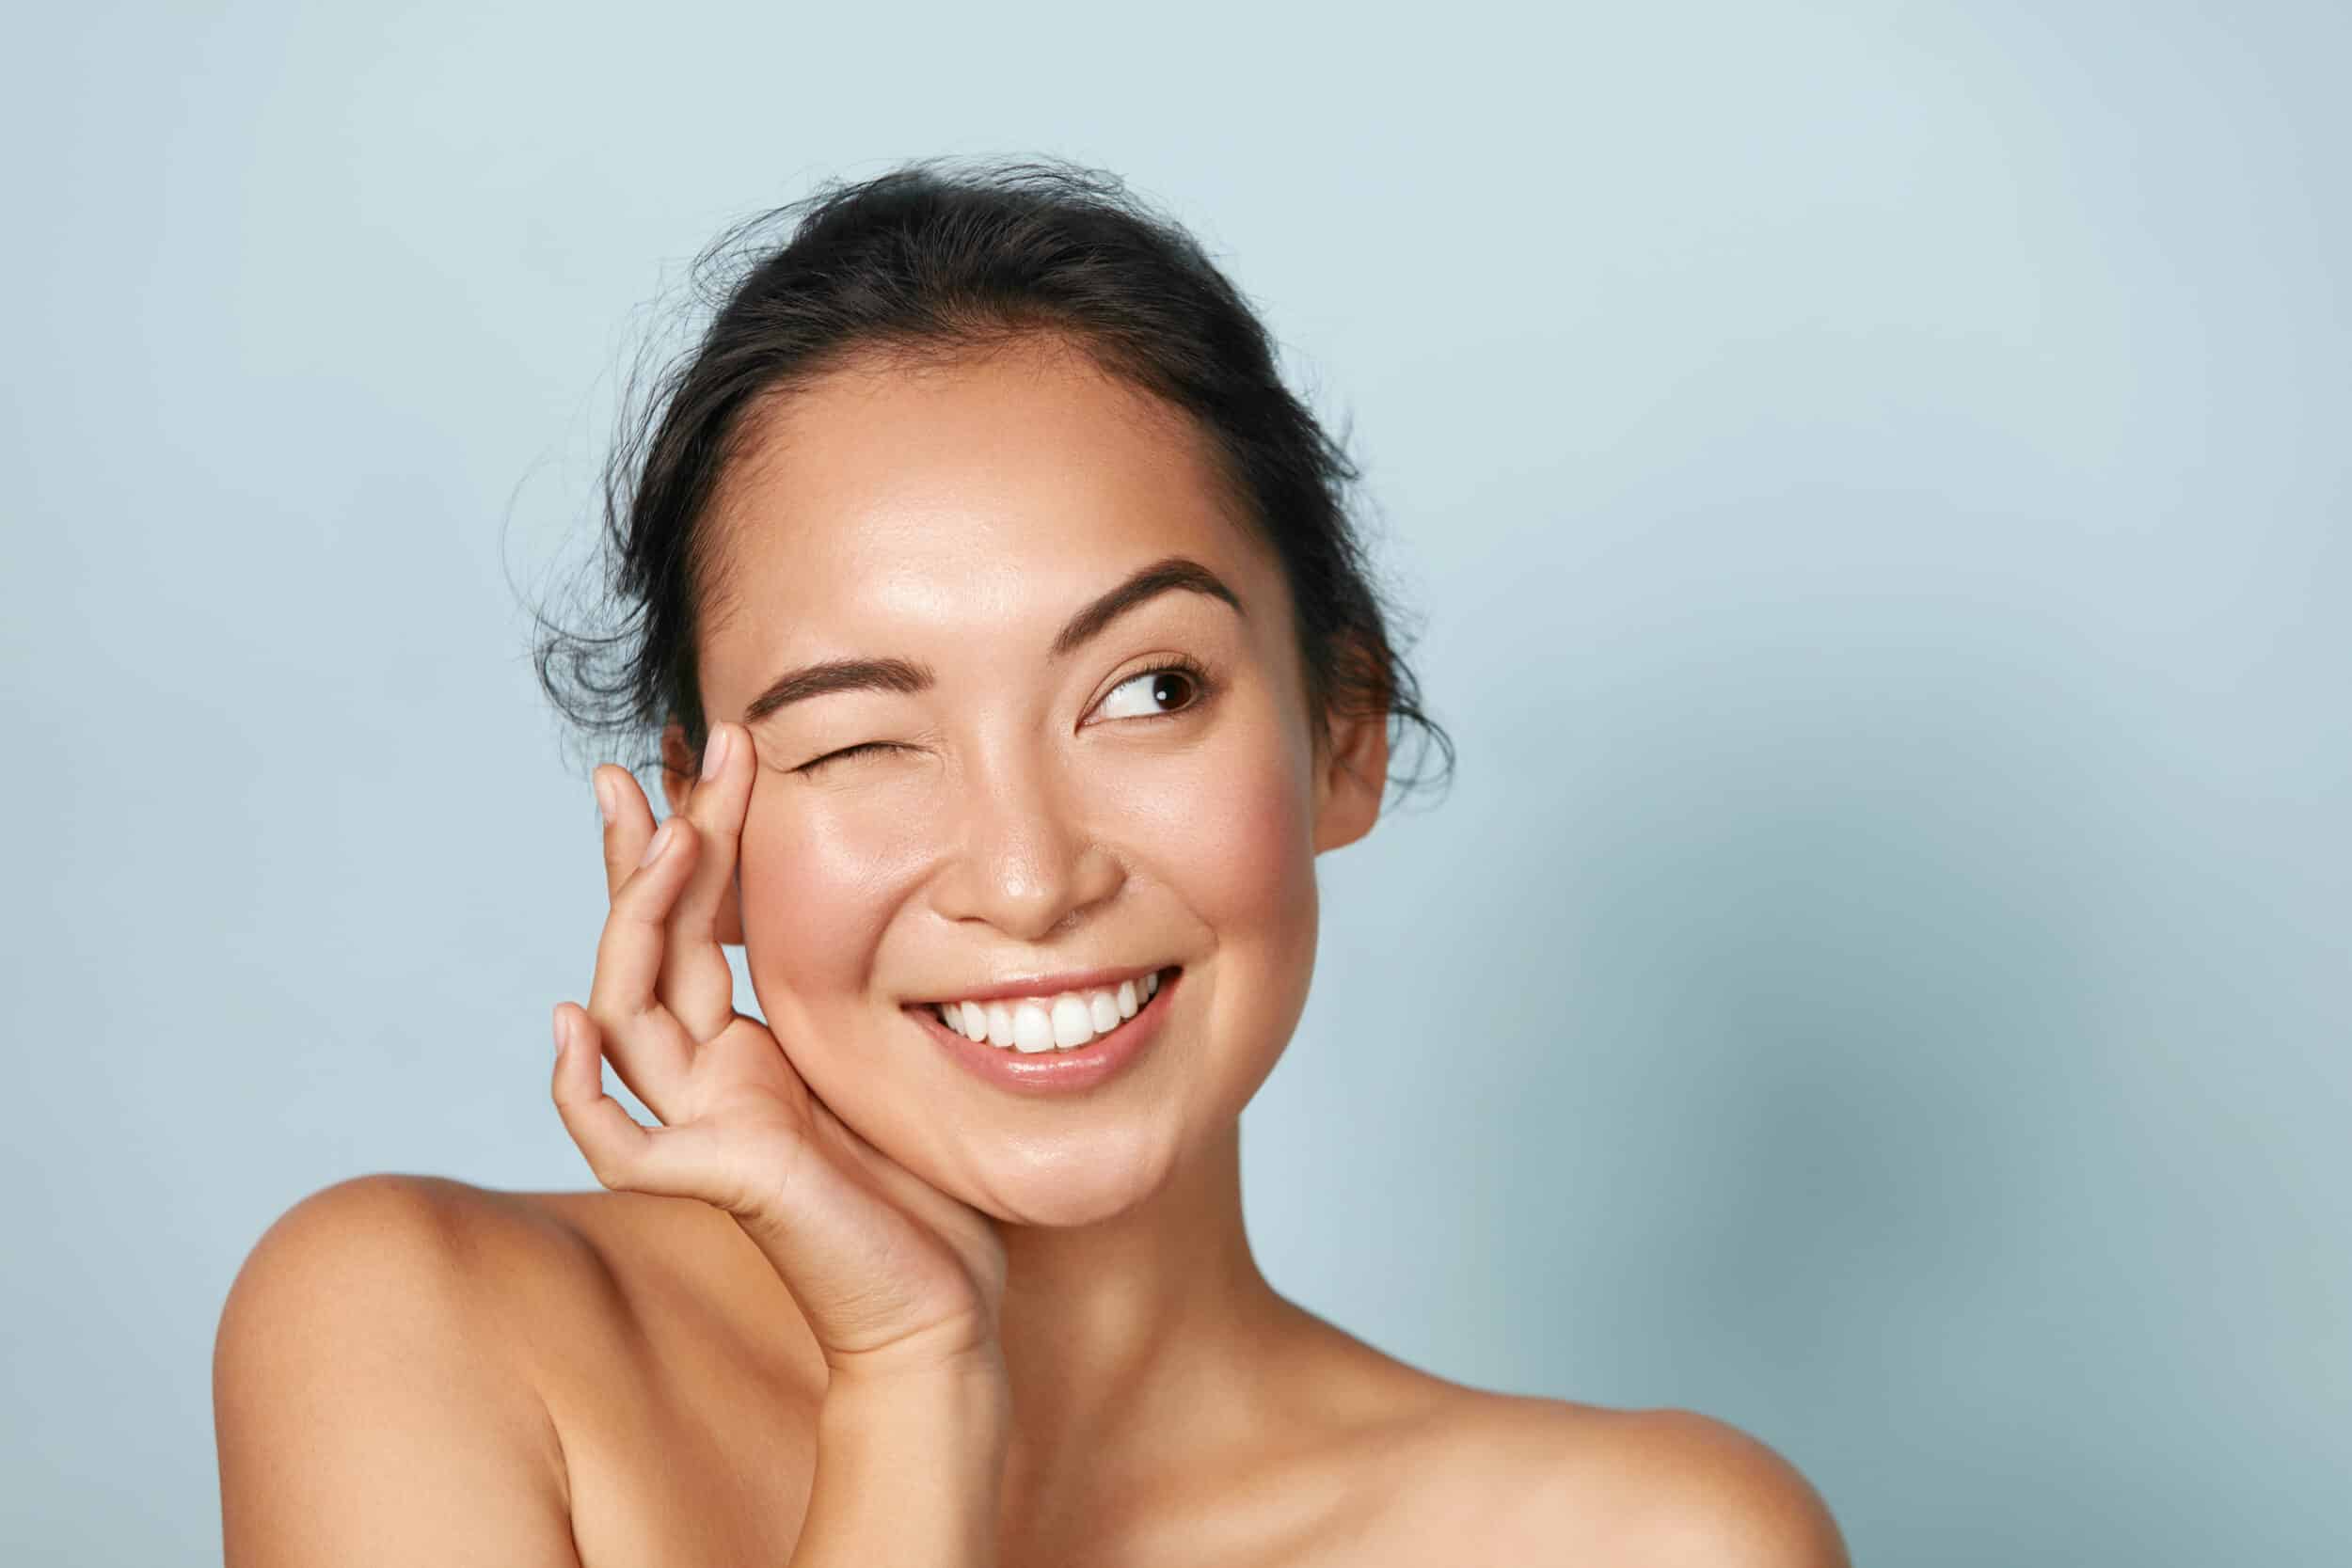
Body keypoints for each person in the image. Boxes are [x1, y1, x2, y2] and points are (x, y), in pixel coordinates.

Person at [212, 156, 1850, 1566]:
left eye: (1149, 691)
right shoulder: (423, 1334)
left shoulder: (1650, 1540)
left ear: (1342, 728)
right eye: (861, 737)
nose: (1027, 874)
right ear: (702, 831)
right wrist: (914, 1370)